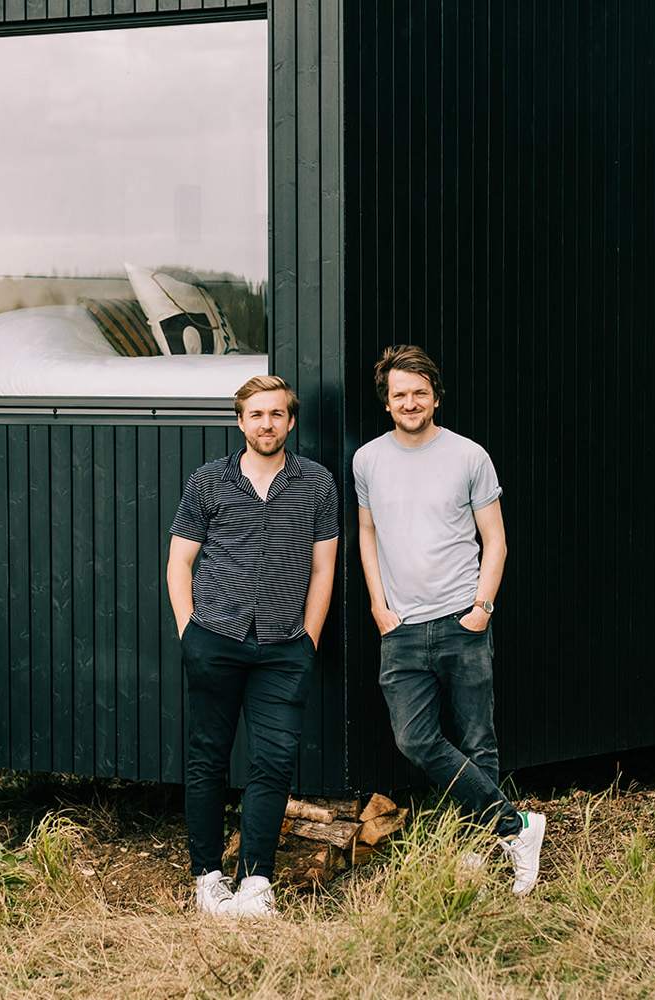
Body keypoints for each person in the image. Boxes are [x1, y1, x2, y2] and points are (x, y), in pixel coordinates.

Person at [352, 344, 546, 894]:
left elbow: (497, 539)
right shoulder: (368, 460)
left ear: (436, 396)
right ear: (386, 404)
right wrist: (377, 606)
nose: (409, 402)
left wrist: (482, 608)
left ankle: (483, 849)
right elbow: (367, 534)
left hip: (462, 617)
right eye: (398, 395)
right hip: (401, 627)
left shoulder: (469, 456)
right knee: (415, 740)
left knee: (478, 740)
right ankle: (516, 826)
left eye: (419, 392)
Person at [167, 374, 340, 918]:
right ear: (240, 421)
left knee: (273, 762)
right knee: (208, 760)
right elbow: (179, 562)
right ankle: (207, 877)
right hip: (214, 638)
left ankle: (256, 884)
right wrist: (188, 631)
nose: (267, 424)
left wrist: (308, 639)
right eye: (256, 414)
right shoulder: (207, 482)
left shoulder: (317, 483)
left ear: (291, 421)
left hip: (284, 645)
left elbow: (323, 566)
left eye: (277, 414)